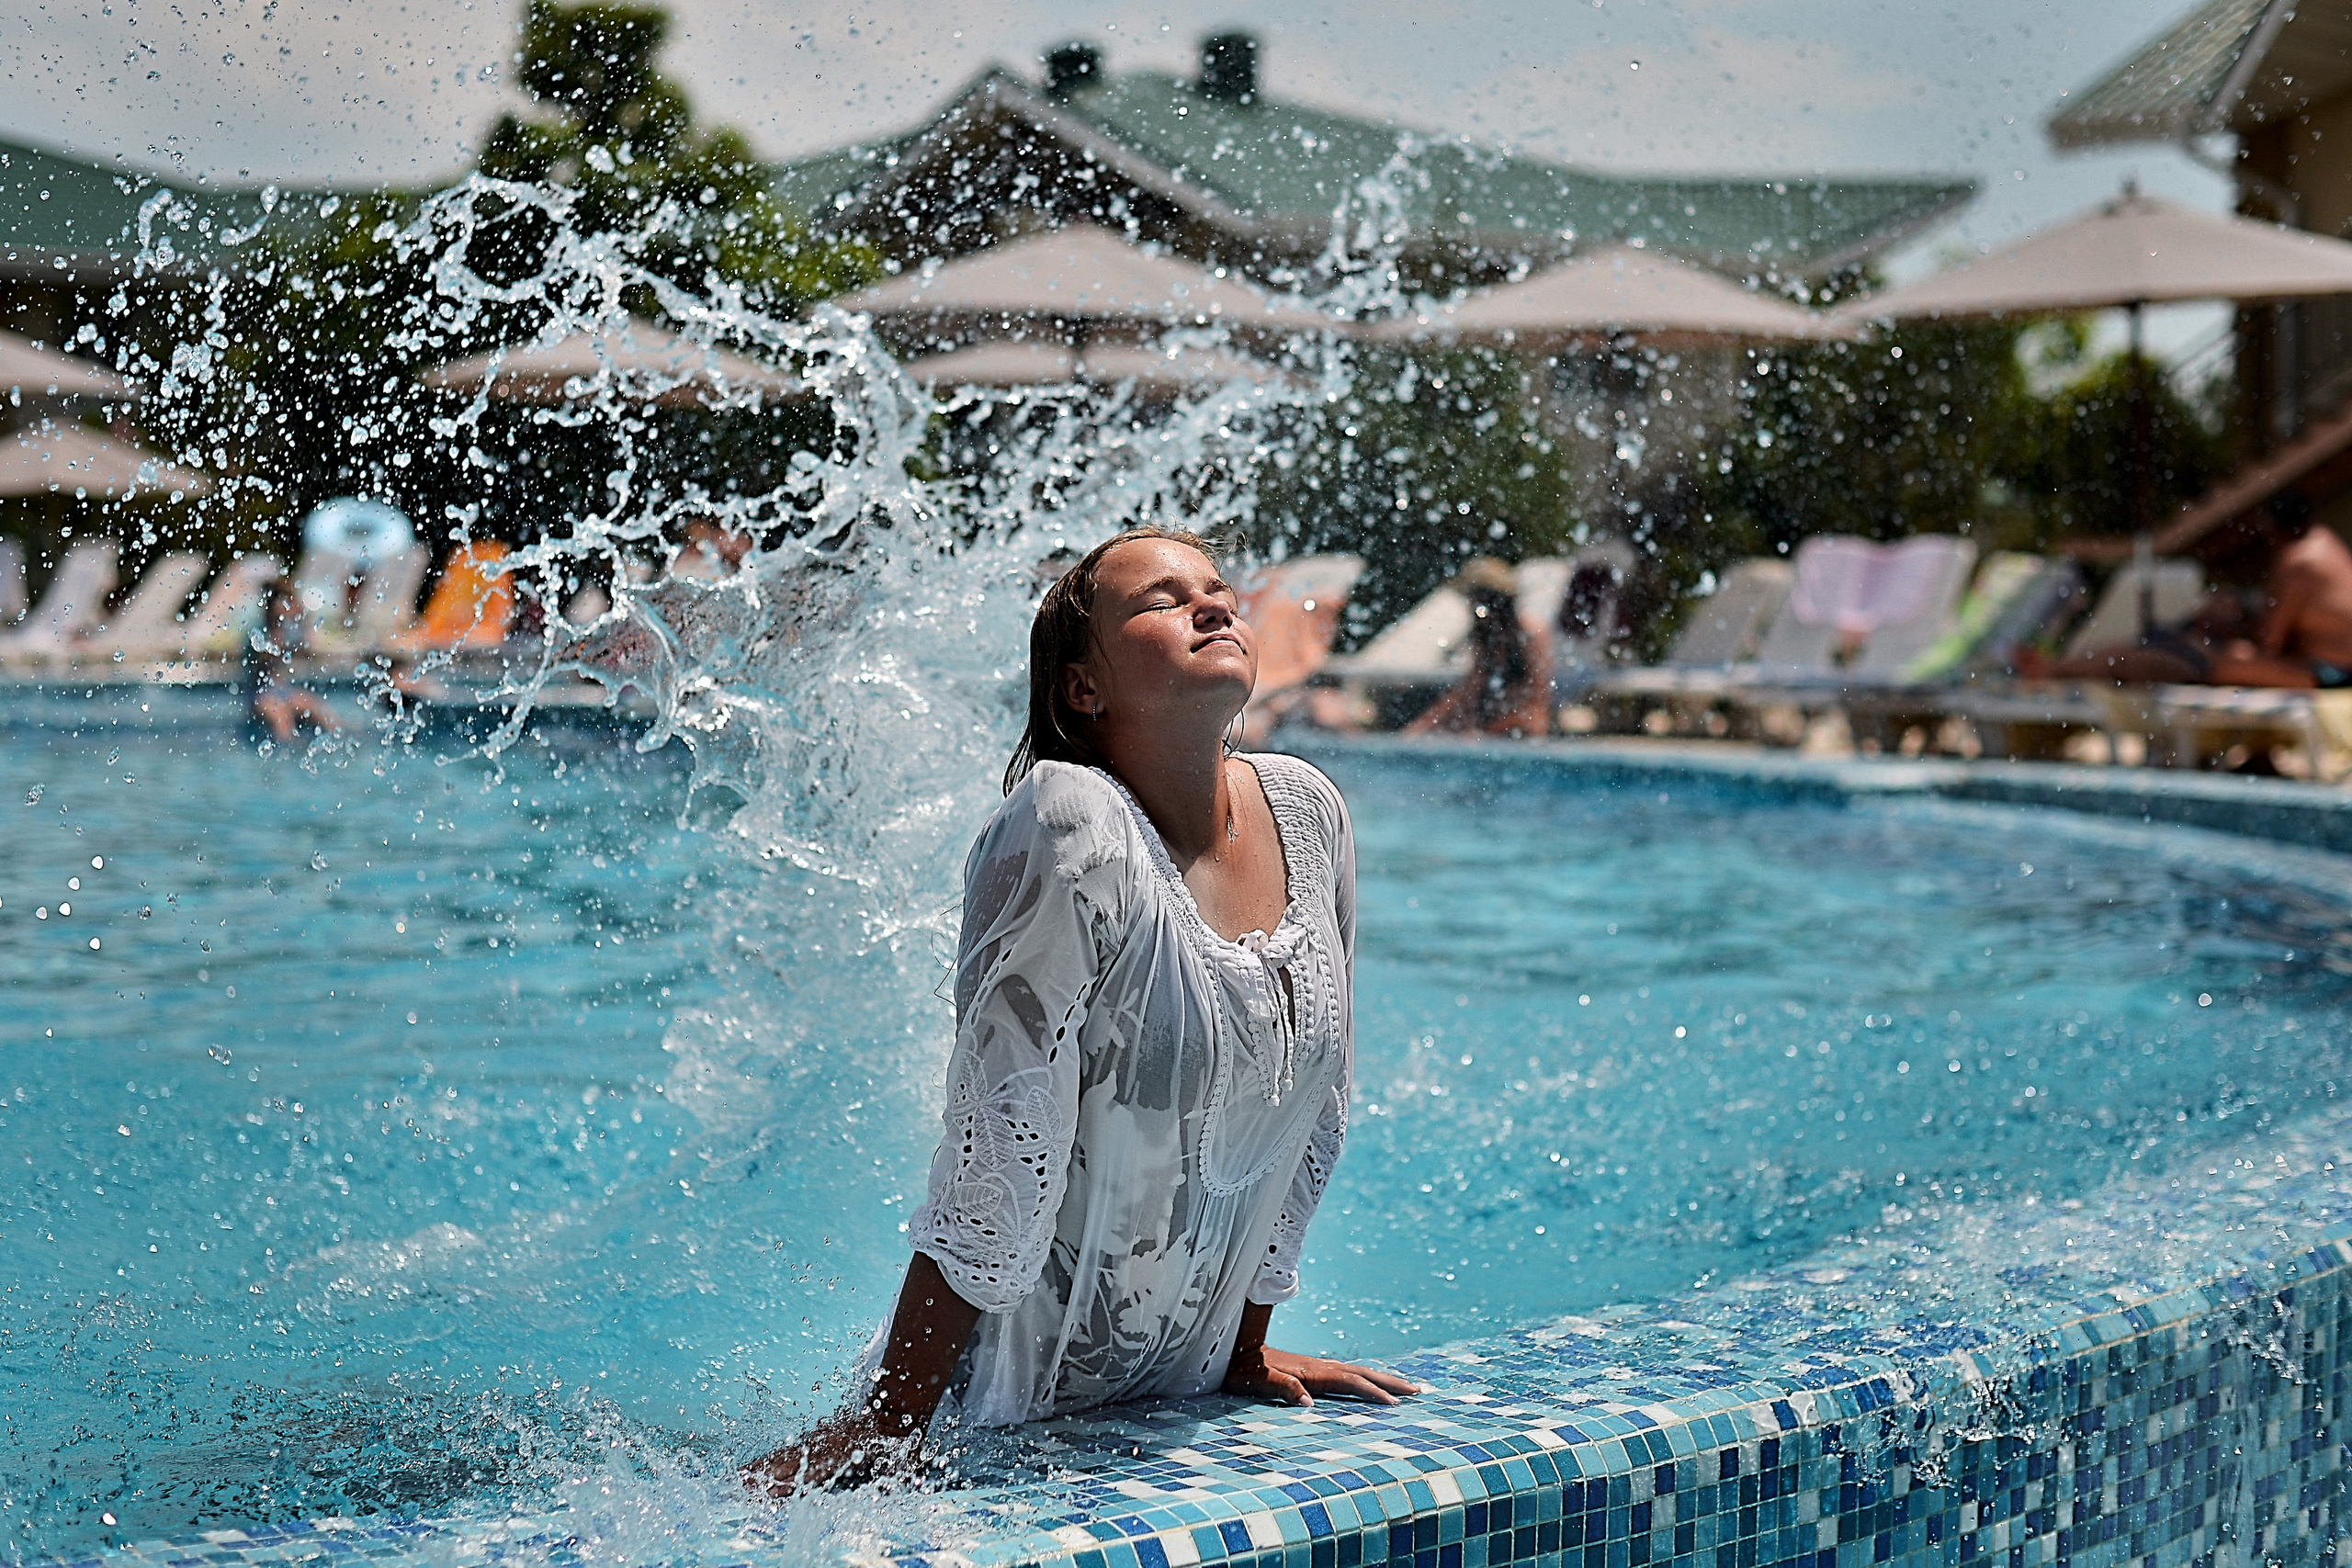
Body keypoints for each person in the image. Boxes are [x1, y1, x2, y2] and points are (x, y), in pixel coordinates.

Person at [744, 526, 1413, 1497]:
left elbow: (1317, 1106)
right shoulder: (1069, 825)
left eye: (1219, 588)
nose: (1214, 605)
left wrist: (1244, 1346)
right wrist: (889, 1429)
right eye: (1161, 600)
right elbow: (997, 1150)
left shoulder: (1308, 813)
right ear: (1080, 688)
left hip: (1176, 1401)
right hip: (993, 1413)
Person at [2020, 494, 2352, 688]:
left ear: (2276, 529)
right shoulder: (2325, 545)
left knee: (2198, 660)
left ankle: (2057, 668)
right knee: (2184, 650)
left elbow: (2270, 640)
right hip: (2330, 665)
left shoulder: (2297, 561)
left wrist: (2226, 626)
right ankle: (2059, 667)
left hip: (2331, 672)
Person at [1403, 557, 1555, 738]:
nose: (1473, 605)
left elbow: (1536, 707)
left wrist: (1483, 733)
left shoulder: (1530, 634)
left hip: (1523, 732)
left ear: (1498, 600)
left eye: (1478, 599)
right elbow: (1469, 691)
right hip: (1492, 729)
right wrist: (1422, 726)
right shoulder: (1484, 638)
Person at [245, 576, 340, 743]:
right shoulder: (258, 633)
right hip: (259, 694)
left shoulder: (288, 631)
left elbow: (309, 651)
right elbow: (261, 664)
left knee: (316, 707)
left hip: (283, 690)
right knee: (280, 714)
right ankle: (287, 749)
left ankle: (339, 739)